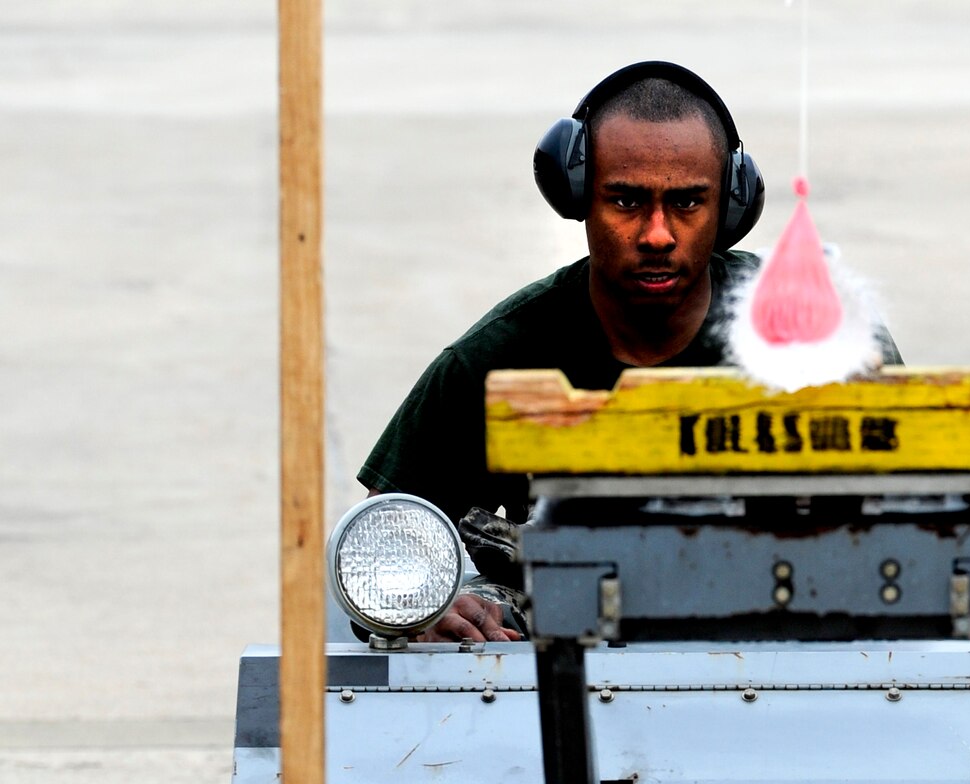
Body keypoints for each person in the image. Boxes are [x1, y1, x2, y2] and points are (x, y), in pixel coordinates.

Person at [358, 61, 899, 643]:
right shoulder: (497, 358)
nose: (658, 234)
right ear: (577, 198)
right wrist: (427, 606)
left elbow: (927, 518)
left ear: (732, 208)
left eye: (689, 204)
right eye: (626, 202)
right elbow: (382, 540)